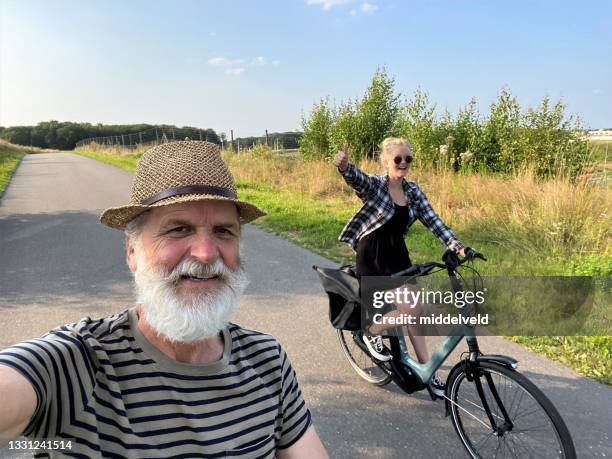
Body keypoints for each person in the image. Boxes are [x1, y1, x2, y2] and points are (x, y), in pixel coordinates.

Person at [0, 141, 328, 458]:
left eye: (224, 231)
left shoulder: (269, 362)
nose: (205, 253)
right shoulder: (81, 364)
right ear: (132, 252)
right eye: (178, 229)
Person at [333, 137, 470, 396]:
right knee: (408, 311)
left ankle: (426, 372)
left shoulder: (413, 192)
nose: (403, 163)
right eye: (398, 158)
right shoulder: (376, 185)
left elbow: (434, 221)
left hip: (397, 254)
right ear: (386, 161)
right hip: (372, 255)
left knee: (414, 311)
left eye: (408, 158)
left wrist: (457, 246)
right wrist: (344, 166)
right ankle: (371, 330)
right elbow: (357, 179)